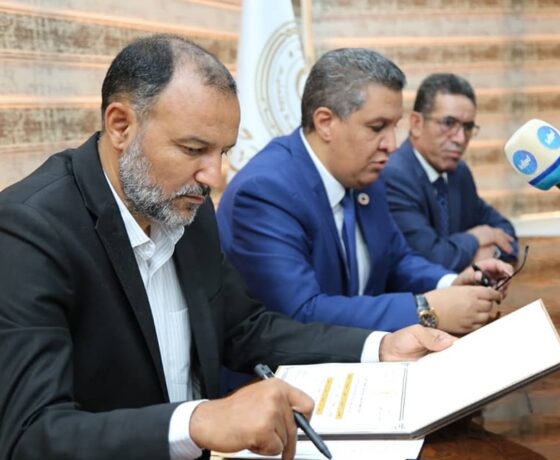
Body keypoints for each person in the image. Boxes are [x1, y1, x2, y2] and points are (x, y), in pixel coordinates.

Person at [0, 35, 456, 460]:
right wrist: (198, 421)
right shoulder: (29, 230)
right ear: (121, 126)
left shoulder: (184, 206)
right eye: (193, 149)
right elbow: (29, 433)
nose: (213, 177)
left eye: (222, 152)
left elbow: (245, 329)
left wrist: (380, 346)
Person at [218, 49, 512, 337]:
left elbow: (397, 260)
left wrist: (450, 284)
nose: (392, 145)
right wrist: (424, 309)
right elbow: (301, 313)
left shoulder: (363, 174)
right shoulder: (265, 191)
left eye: (394, 127)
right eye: (377, 127)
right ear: (325, 123)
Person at [383, 73, 518, 272]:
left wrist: (490, 253)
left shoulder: (459, 173)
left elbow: (506, 231)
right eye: (448, 123)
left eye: (468, 127)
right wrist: (477, 237)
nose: (460, 139)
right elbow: (431, 258)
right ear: (416, 124)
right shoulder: (394, 175)